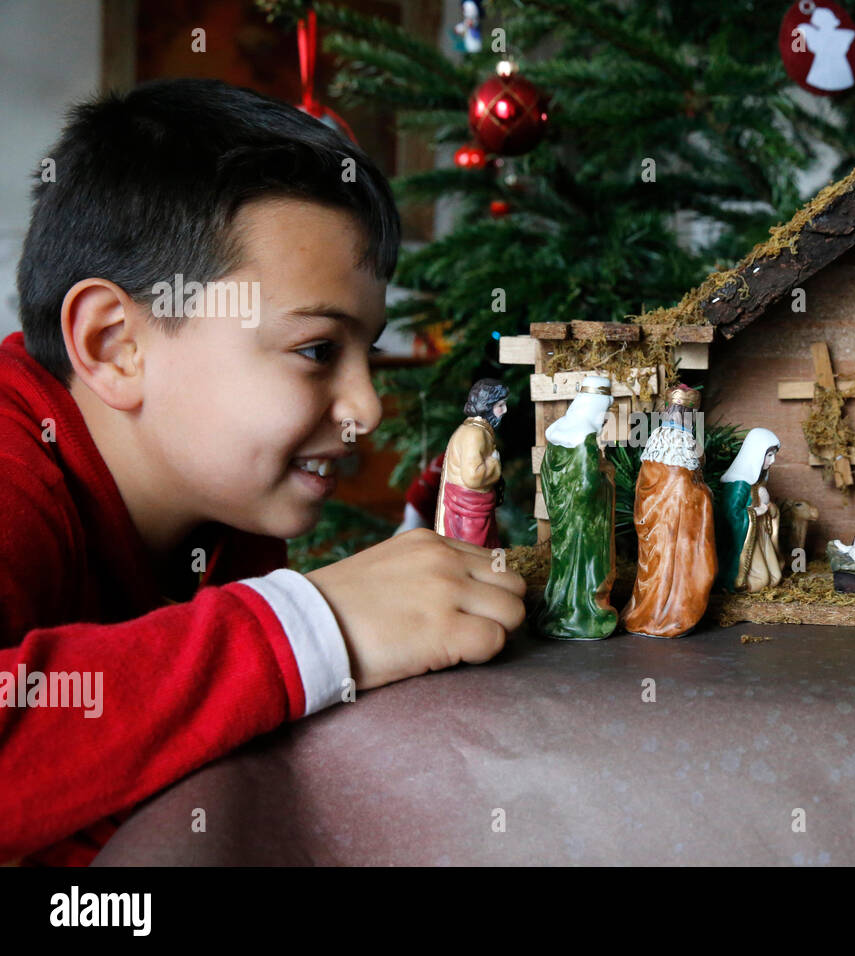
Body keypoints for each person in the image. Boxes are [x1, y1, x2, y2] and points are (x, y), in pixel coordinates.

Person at [0, 79, 526, 865]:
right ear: (117, 345)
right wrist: (311, 627)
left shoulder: (221, 519)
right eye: (317, 350)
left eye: (369, 353)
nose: (367, 407)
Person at [621, 385, 716, 638]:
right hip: (674, 532)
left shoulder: (658, 444)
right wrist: (704, 494)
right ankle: (669, 615)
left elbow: (647, 489)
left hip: (665, 528)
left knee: (657, 570)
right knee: (667, 571)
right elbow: (683, 493)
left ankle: (652, 612)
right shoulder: (679, 446)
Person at [539, 375, 618, 639]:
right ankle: (584, 613)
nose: (604, 418)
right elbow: (587, 485)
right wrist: (607, 474)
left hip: (564, 517)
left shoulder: (559, 429)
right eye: (604, 412)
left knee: (564, 564)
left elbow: (546, 473)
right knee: (587, 566)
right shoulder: (585, 435)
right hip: (586, 522)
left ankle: (560, 609)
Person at [395, 378, 507, 546]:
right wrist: (494, 462)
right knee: (473, 552)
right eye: (500, 405)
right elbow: (473, 477)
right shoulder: (475, 435)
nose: (504, 410)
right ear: (487, 406)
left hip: (465, 507)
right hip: (465, 510)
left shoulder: (473, 431)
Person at [716, 428, 783, 593]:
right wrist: (755, 513)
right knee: (761, 581)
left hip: (760, 534)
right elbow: (731, 516)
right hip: (746, 538)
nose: (773, 460)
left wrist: (770, 509)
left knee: (776, 577)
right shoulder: (739, 483)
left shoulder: (757, 479)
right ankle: (733, 583)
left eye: (774, 455)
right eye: (769, 455)